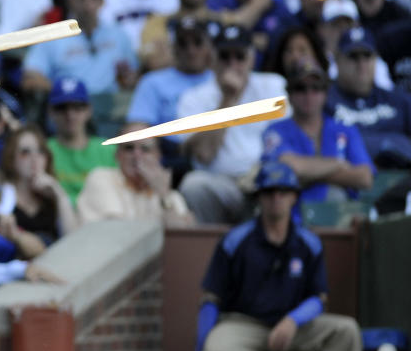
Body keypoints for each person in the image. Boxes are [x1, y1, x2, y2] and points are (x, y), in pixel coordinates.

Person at [195, 161, 362, 351]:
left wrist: (293, 320)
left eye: (283, 192)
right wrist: (202, 345)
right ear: (259, 196)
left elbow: (318, 298)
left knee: (346, 331)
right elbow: (211, 299)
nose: (276, 198)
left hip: (292, 326)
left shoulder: (308, 242)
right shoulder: (236, 240)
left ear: (294, 196)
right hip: (243, 324)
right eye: (270, 192)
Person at [177, 24, 288, 223]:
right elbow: (204, 155)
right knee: (193, 185)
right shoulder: (194, 97)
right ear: (212, 59)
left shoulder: (273, 86)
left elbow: (291, 137)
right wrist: (227, 100)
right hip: (221, 183)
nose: (232, 64)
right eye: (225, 56)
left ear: (252, 58)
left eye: (239, 56)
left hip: (265, 181)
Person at [261, 63, 374, 204]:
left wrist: (308, 175)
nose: (309, 95)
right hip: (292, 214)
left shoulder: (344, 129)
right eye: (301, 88)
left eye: (316, 88)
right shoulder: (276, 130)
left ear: (325, 93)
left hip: (340, 216)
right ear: (289, 94)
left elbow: (364, 177)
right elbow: (289, 167)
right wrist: (338, 164)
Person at [22, 0, 137, 99]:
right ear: (71, 0)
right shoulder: (53, 37)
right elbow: (30, 76)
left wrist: (129, 78)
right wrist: (63, 92)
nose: (88, 6)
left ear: (102, 1)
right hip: (70, 106)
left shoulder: (118, 34)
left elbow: (133, 73)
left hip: (111, 105)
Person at [126, 17, 215, 165]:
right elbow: (138, 128)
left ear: (209, 46)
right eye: (183, 44)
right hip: (167, 156)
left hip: (213, 151)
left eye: (197, 42)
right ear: (173, 47)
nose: (191, 50)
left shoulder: (220, 81)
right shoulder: (152, 81)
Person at [77, 123, 194, 226]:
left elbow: (181, 240)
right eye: (129, 148)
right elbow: (116, 230)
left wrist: (164, 196)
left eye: (145, 149)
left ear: (158, 156)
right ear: (117, 154)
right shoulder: (101, 178)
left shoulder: (170, 195)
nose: (137, 155)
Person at [325, 27, 411, 167]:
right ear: (337, 59)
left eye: (367, 55)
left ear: (376, 58)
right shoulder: (322, 100)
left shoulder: (399, 100)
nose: (361, 64)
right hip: (345, 180)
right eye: (353, 56)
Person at [43, 77, 116, 204]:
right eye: (62, 108)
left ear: (89, 110)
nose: (70, 115)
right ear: (51, 112)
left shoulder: (109, 149)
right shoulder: (42, 151)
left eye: (77, 107)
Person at [1, 124, 77, 244]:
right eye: (25, 152)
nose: (34, 158)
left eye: (41, 151)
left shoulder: (53, 195)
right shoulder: (0, 194)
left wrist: (60, 195)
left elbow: (73, 242)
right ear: (11, 159)